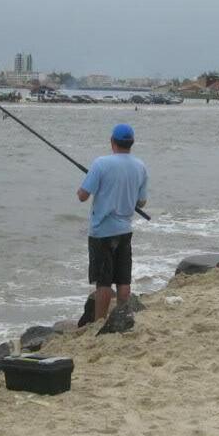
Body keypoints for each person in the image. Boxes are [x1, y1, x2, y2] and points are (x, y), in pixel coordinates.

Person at [77, 124, 148, 321]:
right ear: (131, 143)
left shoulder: (100, 164)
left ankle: (99, 322)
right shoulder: (140, 166)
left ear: (112, 142)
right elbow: (141, 201)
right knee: (123, 280)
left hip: (102, 232)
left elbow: (82, 196)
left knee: (103, 282)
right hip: (125, 230)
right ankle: (122, 317)